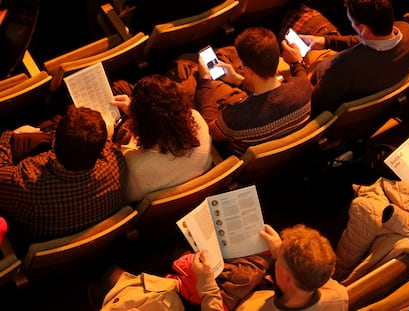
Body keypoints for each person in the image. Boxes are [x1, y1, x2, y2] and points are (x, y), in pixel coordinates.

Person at [0, 106, 128, 251]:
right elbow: (109, 148)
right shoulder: (116, 164)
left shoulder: (27, 182)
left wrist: (8, 135)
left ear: (53, 142)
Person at [282, 0, 409, 116]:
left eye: (351, 22)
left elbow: (312, 103)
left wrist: (296, 63)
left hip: (319, 84)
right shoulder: (407, 30)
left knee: (297, 17)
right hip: (360, 88)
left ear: (363, 29)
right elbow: (369, 39)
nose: (351, 24)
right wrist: (326, 41)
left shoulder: (344, 66)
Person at [195, 27, 313, 156]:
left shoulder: (236, 116)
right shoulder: (303, 87)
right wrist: (237, 80)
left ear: (248, 70)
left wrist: (205, 80)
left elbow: (210, 132)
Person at [192, 223, 349, 311]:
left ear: (287, 277)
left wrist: (207, 284)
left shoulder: (251, 309)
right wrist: (280, 250)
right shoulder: (339, 295)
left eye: (279, 259)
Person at [111, 74, 213, 203]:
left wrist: (108, 137)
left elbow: (126, 198)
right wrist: (137, 112)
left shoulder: (135, 166)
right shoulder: (197, 120)